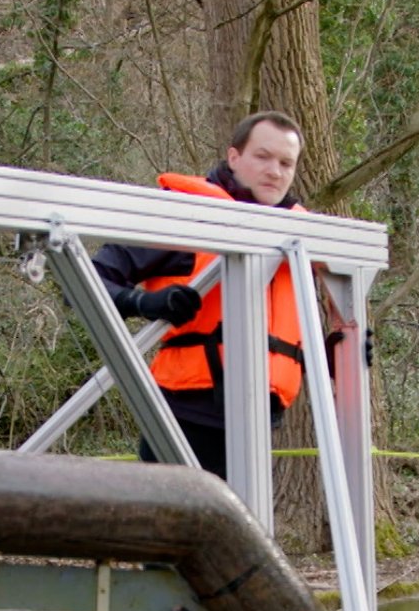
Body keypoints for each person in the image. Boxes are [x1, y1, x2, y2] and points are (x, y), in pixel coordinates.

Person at [93, 111, 356, 480]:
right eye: (262, 157)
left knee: (235, 536)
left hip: (259, 423)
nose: (275, 171)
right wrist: (143, 303)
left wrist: (328, 359)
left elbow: (270, 332)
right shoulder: (186, 216)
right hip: (184, 419)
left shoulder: (299, 240)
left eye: (286, 163)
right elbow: (90, 278)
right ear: (234, 158)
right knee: (164, 534)